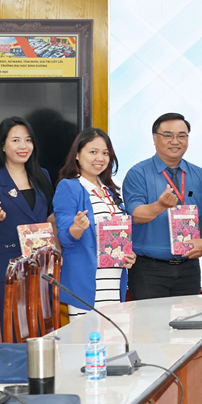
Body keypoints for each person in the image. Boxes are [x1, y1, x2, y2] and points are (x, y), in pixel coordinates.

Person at [122, 113, 202, 300]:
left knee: (190, 318)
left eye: (182, 136)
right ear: (155, 138)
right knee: (150, 319)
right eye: (168, 135)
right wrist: (160, 205)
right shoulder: (138, 173)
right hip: (149, 269)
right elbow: (136, 215)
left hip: (189, 267)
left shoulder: (200, 175)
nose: (175, 141)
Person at [0, 116, 56, 321]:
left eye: (28, 140)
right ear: (2, 145)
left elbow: (49, 218)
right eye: (15, 140)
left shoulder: (42, 175)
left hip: (40, 264)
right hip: (8, 265)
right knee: (9, 327)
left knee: (40, 326)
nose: (23, 146)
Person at [53, 127, 134, 321]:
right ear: (77, 155)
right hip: (86, 283)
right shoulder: (69, 187)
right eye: (93, 152)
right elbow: (65, 237)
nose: (100, 158)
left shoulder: (112, 190)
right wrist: (78, 227)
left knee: (115, 337)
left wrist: (130, 254)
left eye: (105, 153)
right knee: (88, 338)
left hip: (114, 281)